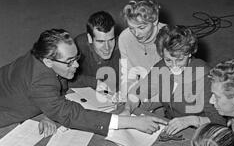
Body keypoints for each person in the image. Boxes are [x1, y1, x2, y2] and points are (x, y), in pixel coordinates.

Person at [0, 29, 167, 136]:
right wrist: (133, 122)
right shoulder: (39, 82)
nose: (77, 65)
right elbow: (73, 115)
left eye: (76, 57)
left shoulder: (44, 55)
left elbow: (62, 78)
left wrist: (96, 83)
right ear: (48, 62)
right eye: (70, 61)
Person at [122, 25, 225, 134]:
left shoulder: (206, 77)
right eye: (168, 60)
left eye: (180, 59)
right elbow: (138, 92)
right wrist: (127, 110)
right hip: (171, 124)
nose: (174, 66)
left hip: (201, 130)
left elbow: (220, 121)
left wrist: (192, 120)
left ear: (189, 53)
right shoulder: (161, 67)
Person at [118, 0, 166, 98]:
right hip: (141, 87)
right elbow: (127, 72)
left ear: (155, 20)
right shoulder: (125, 38)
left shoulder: (169, 38)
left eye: (141, 27)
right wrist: (124, 97)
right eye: (131, 28)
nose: (136, 34)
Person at [73, 11, 120, 93]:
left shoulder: (123, 47)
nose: (107, 48)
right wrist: (95, 83)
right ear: (90, 38)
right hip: (87, 91)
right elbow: (65, 78)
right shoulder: (79, 45)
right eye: (100, 41)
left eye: (111, 40)